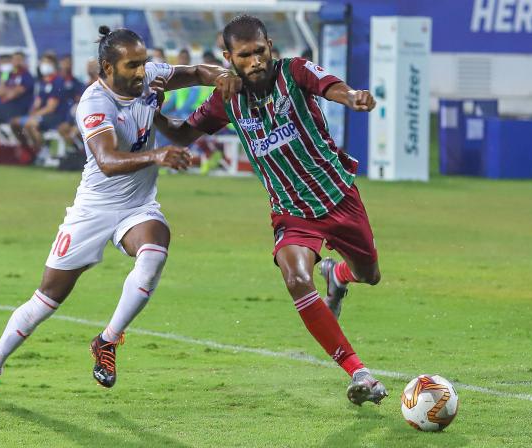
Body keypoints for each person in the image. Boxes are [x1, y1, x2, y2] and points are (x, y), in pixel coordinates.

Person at [0, 25, 241, 399]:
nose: (142, 71)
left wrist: (224, 76)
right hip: (93, 209)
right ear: (107, 68)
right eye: (132, 65)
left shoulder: (149, 77)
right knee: (45, 300)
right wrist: (157, 154)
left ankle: (108, 341)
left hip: (137, 207)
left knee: (155, 251)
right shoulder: (95, 103)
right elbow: (108, 160)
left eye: (143, 62)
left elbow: (194, 73)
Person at [153, 15, 387, 406]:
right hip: (290, 211)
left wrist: (353, 97)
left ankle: (337, 273)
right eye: (245, 55)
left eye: (260, 51)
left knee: (371, 274)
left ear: (270, 47)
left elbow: (330, 86)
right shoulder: (225, 99)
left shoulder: (293, 72)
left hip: (338, 195)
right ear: (228, 56)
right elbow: (182, 134)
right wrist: (155, 112)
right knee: (296, 279)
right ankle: (358, 371)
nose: (256, 61)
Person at [12, 53, 70, 162]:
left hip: (55, 116)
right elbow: (37, 102)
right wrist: (32, 112)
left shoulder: (57, 81)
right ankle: (28, 149)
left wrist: (34, 115)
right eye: (43, 62)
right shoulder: (41, 82)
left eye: (48, 62)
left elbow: (51, 107)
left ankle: (41, 151)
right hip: (41, 115)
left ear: (54, 65)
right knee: (15, 123)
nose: (44, 65)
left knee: (30, 124)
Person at [0, 51, 34, 126]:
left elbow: (11, 95)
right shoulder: (7, 74)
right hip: (4, 106)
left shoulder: (26, 76)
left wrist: (5, 91)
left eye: (19, 59)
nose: (17, 62)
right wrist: (4, 76)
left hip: (17, 108)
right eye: (15, 59)